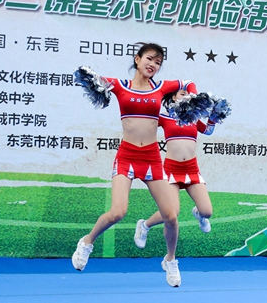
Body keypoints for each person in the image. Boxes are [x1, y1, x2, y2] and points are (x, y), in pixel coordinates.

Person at [71, 43, 196, 287]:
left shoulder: (162, 87)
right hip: (127, 156)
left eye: (158, 62)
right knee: (118, 212)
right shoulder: (120, 86)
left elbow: (188, 83)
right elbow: (92, 79)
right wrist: (88, 77)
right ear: (137, 59)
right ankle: (87, 242)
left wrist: (191, 100)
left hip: (151, 158)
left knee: (171, 215)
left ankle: (170, 260)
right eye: (149, 59)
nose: (153, 65)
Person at [133, 88, 217, 253]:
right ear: (173, 97)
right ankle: (144, 225)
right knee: (172, 212)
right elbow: (146, 124)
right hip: (171, 170)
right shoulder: (165, 117)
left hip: (191, 169)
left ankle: (199, 214)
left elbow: (208, 131)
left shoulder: (194, 118)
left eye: (188, 94)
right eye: (182, 93)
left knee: (207, 212)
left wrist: (213, 118)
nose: (186, 96)